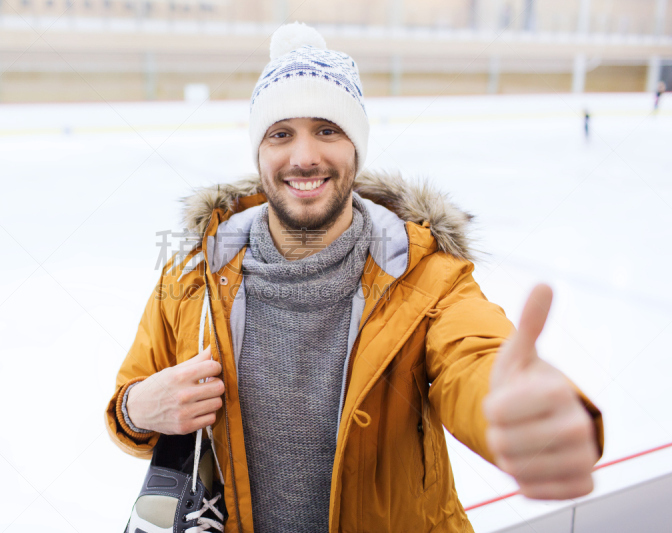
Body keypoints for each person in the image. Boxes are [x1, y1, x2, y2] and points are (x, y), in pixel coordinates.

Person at [106, 22, 604, 532]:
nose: (304, 157)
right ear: (259, 152)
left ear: (357, 149)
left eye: (328, 129)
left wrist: (510, 405)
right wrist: (138, 407)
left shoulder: (424, 273)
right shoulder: (194, 276)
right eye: (281, 134)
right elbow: (128, 408)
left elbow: (475, 357)